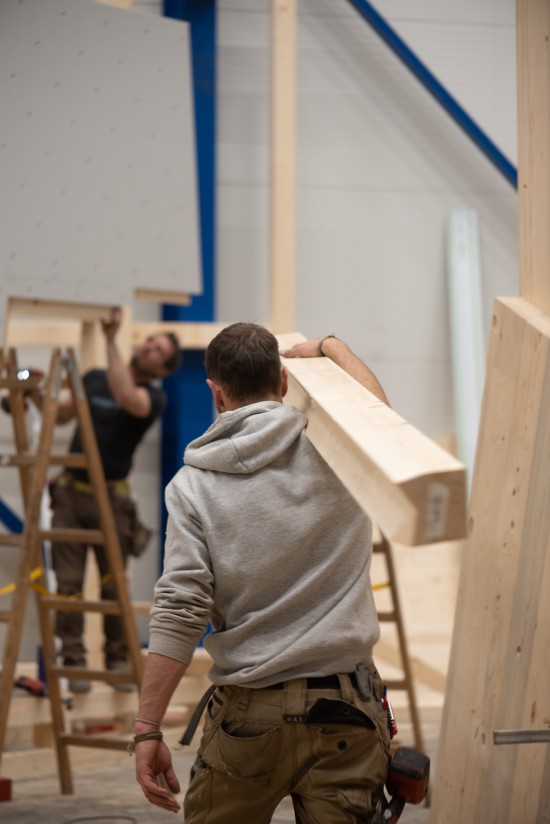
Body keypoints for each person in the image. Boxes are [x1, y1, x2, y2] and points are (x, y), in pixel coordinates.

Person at [132, 324, 391, 822]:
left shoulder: (192, 487)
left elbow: (180, 609)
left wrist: (148, 726)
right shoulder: (339, 454)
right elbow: (380, 420)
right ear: (284, 382)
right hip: (345, 709)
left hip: (249, 714)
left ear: (216, 391)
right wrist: (330, 347)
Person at [29, 308, 181, 693]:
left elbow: (125, 395)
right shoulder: (94, 378)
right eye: (149, 342)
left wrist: (111, 340)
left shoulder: (152, 398)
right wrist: (34, 390)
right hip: (69, 495)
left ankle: (116, 660)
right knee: (68, 585)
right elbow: (60, 415)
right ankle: (75, 662)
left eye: (157, 350)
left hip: (111, 501)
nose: (148, 349)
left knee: (113, 585)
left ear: (163, 370)